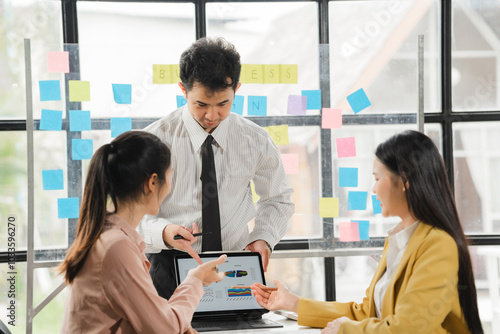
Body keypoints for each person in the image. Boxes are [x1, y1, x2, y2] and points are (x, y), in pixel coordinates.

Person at [252, 130, 484, 334]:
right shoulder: (399, 241)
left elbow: (409, 329)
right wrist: (293, 302)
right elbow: (365, 313)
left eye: (377, 178)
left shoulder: (438, 245)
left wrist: (345, 330)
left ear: (404, 180)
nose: (373, 189)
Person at [138, 37, 294, 299]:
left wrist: (263, 237)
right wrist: (162, 232)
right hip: (168, 269)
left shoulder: (255, 140)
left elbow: (278, 199)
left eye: (223, 104)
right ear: (183, 90)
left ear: (237, 90)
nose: (212, 116)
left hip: (233, 266)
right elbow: (129, 214)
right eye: (201, 104)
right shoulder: (154, 141)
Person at [58, 131, 227, 334]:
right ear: (152, 182)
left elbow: (143, 320)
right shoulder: (116, 247)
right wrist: (196, 280)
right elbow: (164, 329)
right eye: (170, 176)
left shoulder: (111, 237)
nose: (170, 186)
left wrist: (179, 326)